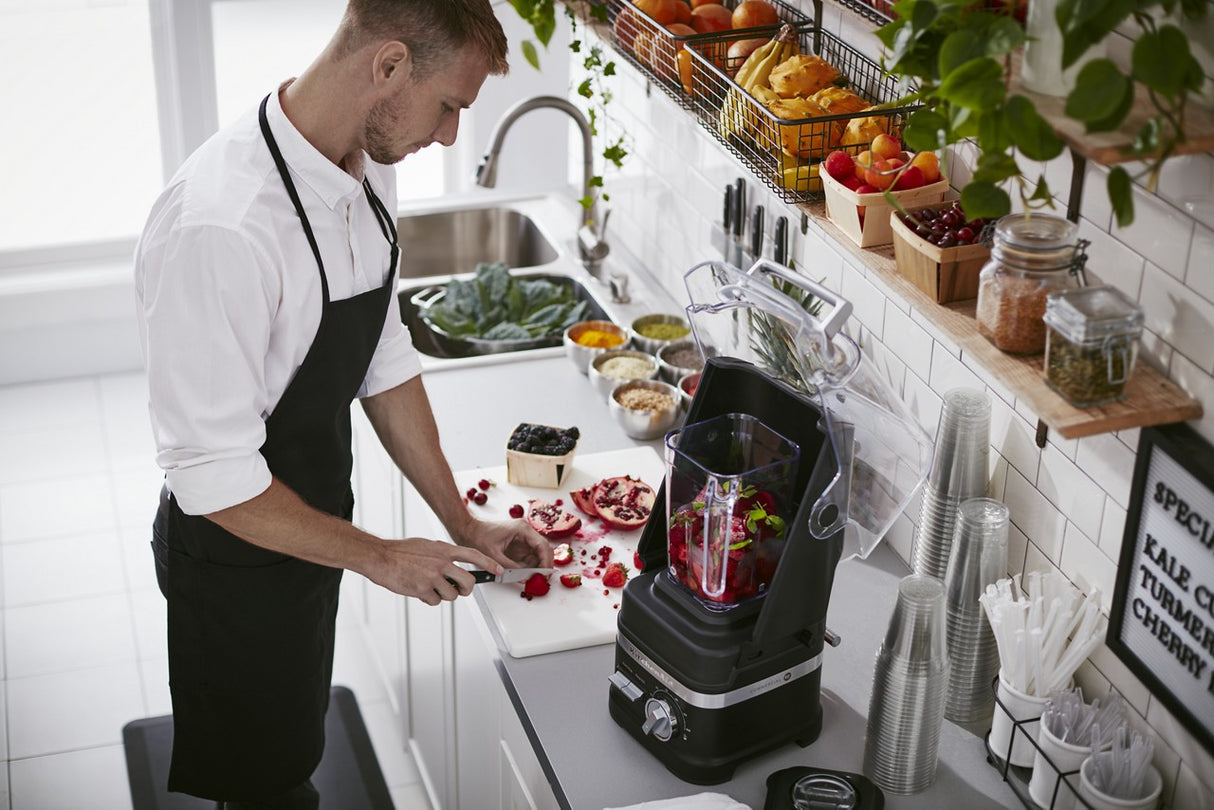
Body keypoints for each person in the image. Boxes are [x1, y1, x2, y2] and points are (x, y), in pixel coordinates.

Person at [134, 1, 551, 807]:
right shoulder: (219, 227)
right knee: (261, 781)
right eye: (451, 106)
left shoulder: (367, 164)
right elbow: (210, 476)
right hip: (235, 558)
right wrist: (379, 554)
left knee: (293, 743)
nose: (450, 136)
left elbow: (382, 358)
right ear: (389, 67)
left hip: (312, 531)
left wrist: (461, 523)